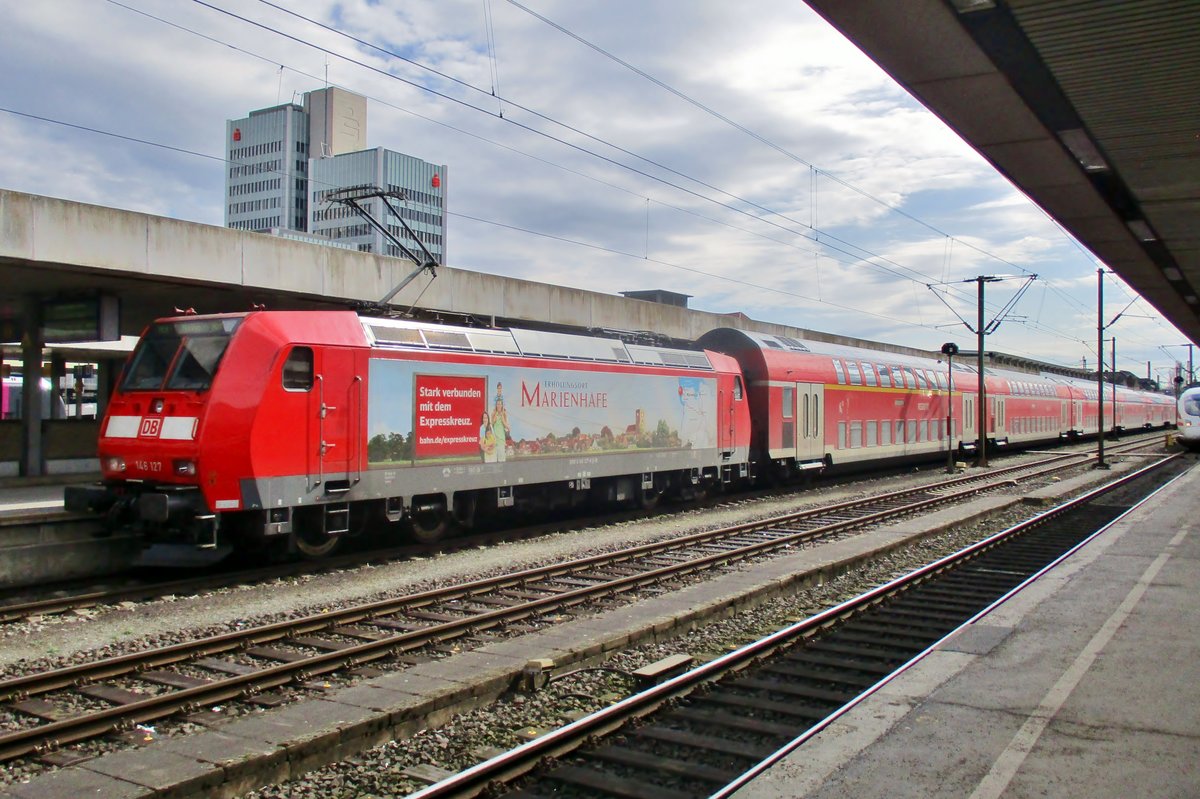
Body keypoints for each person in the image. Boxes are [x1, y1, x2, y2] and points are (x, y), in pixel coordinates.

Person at [492, 382, 510, 462]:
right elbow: (491, 424)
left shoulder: (504, 414)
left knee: (502, 461)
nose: (499, 405)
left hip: (501, 440)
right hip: (494, 441)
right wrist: (494, 417)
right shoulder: (495, 398)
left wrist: (503, 419)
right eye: (498, 388)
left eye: (500, 388)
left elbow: (508, 427)